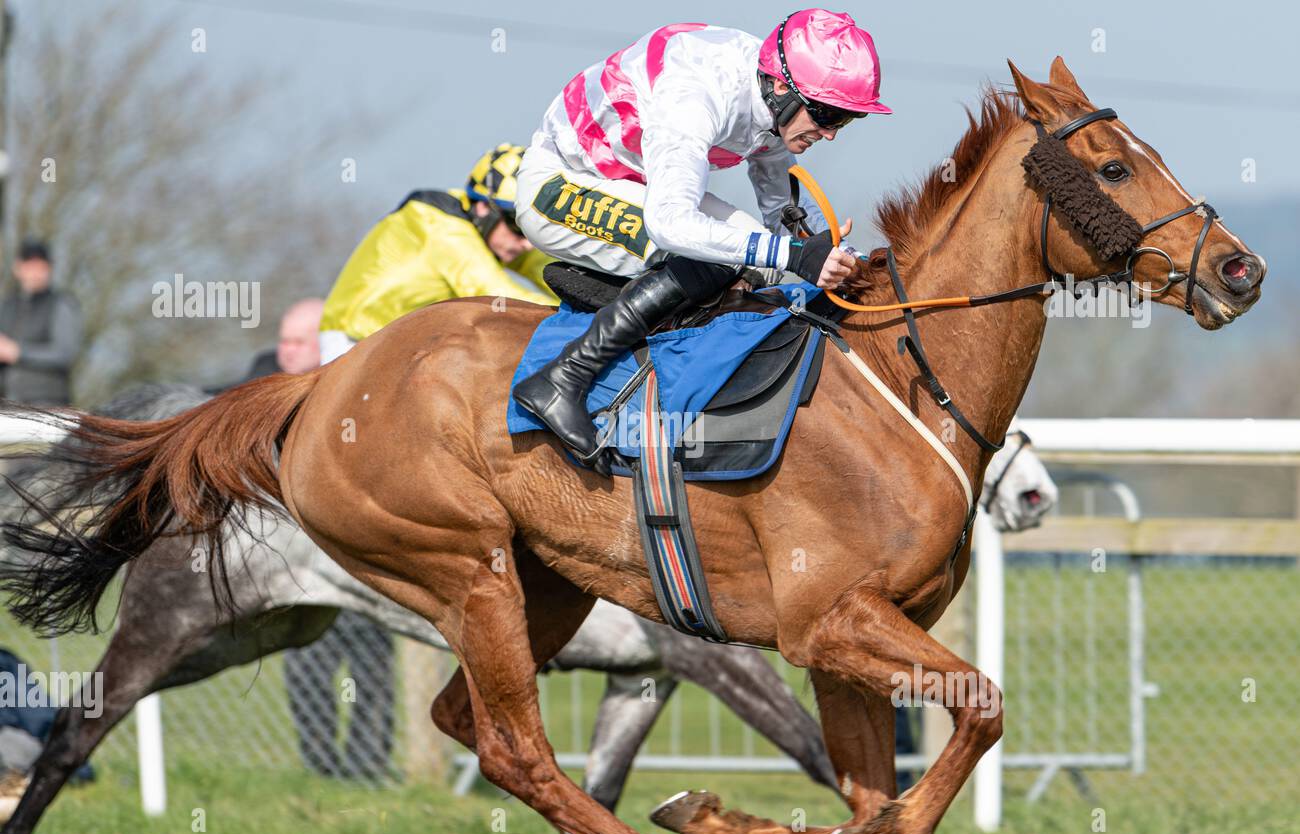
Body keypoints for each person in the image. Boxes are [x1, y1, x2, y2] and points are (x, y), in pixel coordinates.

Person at [511, 10, 889, 466]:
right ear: (784, 86)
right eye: (827, 114)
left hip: (630, 185)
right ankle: (563, 378)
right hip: (561, 186)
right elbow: (670, 223)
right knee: (720, 250)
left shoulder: (772, 101)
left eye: (844, 120)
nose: (829, 133)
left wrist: (846, 259)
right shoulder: (699, 93)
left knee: (754, 249)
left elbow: (781, 214)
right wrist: (791, 253)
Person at [240, 299, 399, 781]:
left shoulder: (359, 386)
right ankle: (320, 769)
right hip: (293, 561)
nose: (284, 352)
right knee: (307, 665)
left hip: (358, 555)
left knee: (370, 668)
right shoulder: (262, 382)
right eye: (282, 340)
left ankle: (368, 767)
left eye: (297, 342)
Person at [317, 143, 559, 364]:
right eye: (519, 226)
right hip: (353, 341)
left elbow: (549, 269)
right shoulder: (440, 226)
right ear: (484, 207)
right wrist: (577, 321)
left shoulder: (489, 228)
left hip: (400, 344)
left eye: (534, 229)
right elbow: (497, 294)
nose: (528, 244)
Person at [0, 239, 87, 406]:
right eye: (30, 266)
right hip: (6, 403)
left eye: (40, 267)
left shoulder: (62, 304)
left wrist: (19, 352)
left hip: (48, 406)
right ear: (17, 268)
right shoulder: (6, 306)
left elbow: (65, 353)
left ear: (50, 269)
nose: (35, 273)